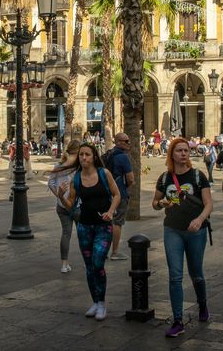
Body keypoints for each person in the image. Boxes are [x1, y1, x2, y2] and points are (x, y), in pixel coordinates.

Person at [152, 136, 212, 338]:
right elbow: (155, 202)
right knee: (175, 276)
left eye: (186, 150)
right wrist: (162, 204)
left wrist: (200, 219)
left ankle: (202, 304)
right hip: (172, 230)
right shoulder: (164, 178)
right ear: (172, 154)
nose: (184, 154)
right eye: (179, 150)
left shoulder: (197, 176)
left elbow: (209, 203)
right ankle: (178, 320)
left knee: (196, 273)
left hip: (196, 231)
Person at [63, 143, 120, 321]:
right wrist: (60, 196)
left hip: (103, 226)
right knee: (89, 267)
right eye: (81, 155)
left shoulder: (104, 174)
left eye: (87, 154)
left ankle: (102, 303)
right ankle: (95, 302)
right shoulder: (77, 178)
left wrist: (110, 212)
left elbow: (117, 194)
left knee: (97, 262)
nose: (84, 158)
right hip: (84, 226)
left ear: (94, 156)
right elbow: (70, 204)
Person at [47, 140, 80, 274]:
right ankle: (89, 260)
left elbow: (50, 182)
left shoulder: (59, 165)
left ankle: (64, 264)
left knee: (66, 234)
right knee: (82, 233)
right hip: (77, 205)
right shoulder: (78, 167)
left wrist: (59, 196)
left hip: (61, 206)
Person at [104, 132, 135, 260]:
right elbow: (130, 178)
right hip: (120, 193)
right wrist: (126, 187)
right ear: (118, 142)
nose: (129, 143)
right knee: (117, 222)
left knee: (107, 222)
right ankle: (115, 252)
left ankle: (103, 251)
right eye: (126, 141)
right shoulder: (123, 157)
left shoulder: (108, 154)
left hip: (107, 193)